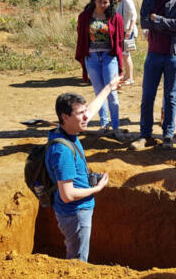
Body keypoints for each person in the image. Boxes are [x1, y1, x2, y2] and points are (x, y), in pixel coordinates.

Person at [47, 87, 118, 262]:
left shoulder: (67, 130)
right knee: (77, 261)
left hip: (76, 212)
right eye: (81, 113)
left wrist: (109, 87)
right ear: (65, 117)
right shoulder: (62, 151)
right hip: (75, 214)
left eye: (85, 112)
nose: (87, 117)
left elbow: (91, 109)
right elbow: (67, 195)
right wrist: (97, 188)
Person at [131, 0, 176, 150]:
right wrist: (164, 23)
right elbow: (144, 21)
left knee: (170, 96)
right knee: (147, 95)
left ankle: (167, 135)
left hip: (173, 54)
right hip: (154, 53)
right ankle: (145, 135)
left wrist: (157, 20)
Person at [75, 0, 125, 140]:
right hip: (92, 58)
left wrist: (119, 57)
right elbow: (81, 35)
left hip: (109, 57)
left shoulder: (115, 17)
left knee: (112, 92)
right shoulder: (85, 17)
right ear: (94, 0)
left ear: (111, 2)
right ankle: (104, 125)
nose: (103, 5)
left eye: (106, 2)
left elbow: (120, 39)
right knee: (99, 93)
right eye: (100, 1)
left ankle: (116, 128)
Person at [111, 0, 138, 85]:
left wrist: (129, 31)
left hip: (127, 32)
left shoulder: (127, 0)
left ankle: (130, 78)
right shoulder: (121, 2)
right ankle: (127, 75)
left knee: (126, 55)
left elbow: (134, 16)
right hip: (124, 31)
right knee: (124, 54)